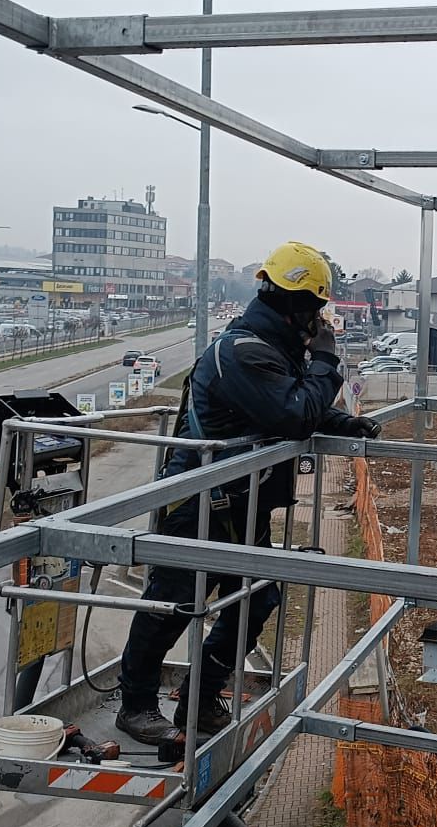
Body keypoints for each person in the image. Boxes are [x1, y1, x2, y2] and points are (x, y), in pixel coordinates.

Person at [115, 242, 380, 746]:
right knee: (173, 602)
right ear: (295, 304)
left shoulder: (272, 348)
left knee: (257, 598)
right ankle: (136, 705)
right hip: (199, 500)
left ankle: (199, 696)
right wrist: (328, 364)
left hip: (240, 500)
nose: (319, 320)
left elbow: (292, 406)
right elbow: (291, 413)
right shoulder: (245, 351)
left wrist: (344, 420)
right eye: (316, 309)